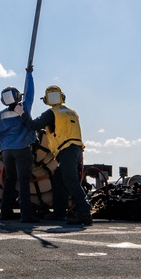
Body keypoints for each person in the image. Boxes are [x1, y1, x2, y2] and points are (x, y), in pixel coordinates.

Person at [30, 84, 92, 226]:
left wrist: (22, 115)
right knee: (59, 179)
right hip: (76, 149)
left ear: (46, 100)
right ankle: (59, 213)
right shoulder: (72, 112)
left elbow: (34, 125)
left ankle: (84, 212)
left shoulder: (52, 113)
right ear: (62, 97)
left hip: (67, 150)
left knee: (70, 180)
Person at [0, 68, 39, 223]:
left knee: (9, 180)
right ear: (17, 96)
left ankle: (4, 213)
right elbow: (30, 93)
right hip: (22, 150)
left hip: (7, 151)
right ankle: (26, 215)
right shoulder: (23, 108)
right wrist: (29, 74)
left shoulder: (2, 114)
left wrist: (4, 146)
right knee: (23, 181)